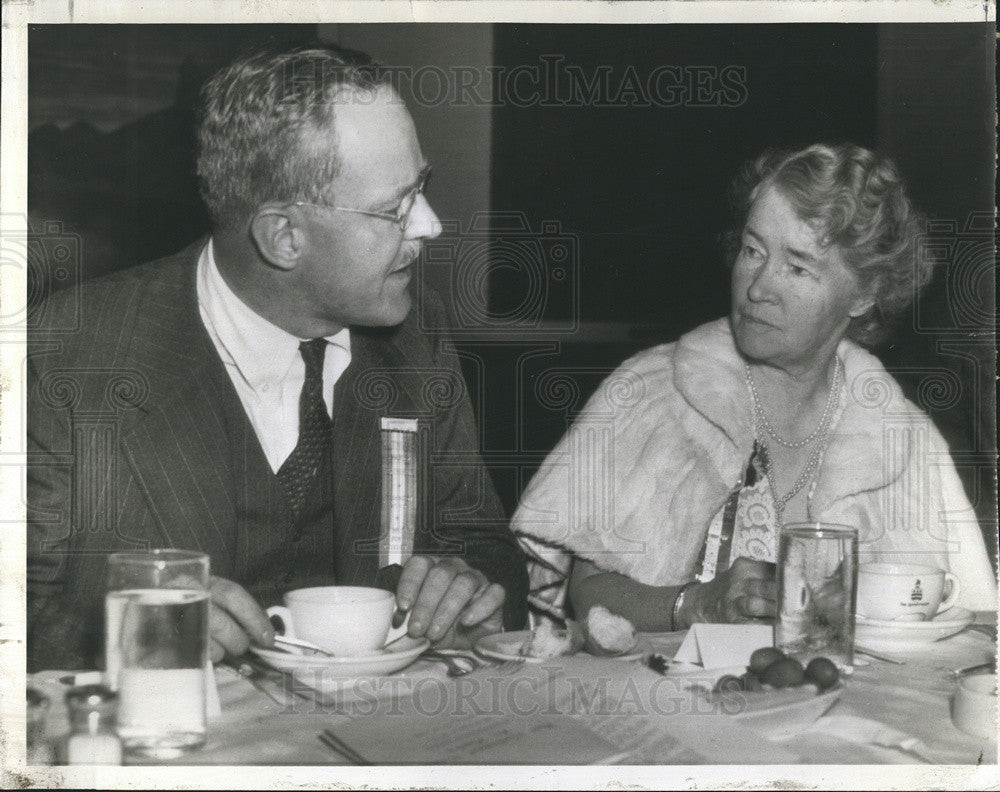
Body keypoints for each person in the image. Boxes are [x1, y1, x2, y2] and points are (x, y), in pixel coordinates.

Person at [26, 45, 528, 671]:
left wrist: (468, 583)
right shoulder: (68, 358)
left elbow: (484, 543)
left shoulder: (413, 339)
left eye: (421, 187)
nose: (429, 225)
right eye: (394, 207)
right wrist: (140, 634)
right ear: (284, 237)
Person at [512, 143, 997, 630]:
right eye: (753, 250)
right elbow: (585, 592)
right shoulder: (652, 393)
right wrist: (694, 604)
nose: (758, 286)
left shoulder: (902, 436)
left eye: (798, 266)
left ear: (864, 293)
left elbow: (967, 621)